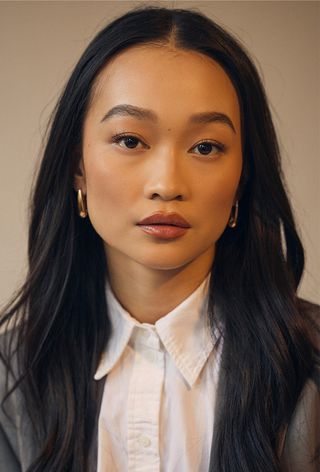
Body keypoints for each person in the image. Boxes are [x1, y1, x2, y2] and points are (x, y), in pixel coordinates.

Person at [0, 5, 319, 472]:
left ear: (244, 174)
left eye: (205, 147)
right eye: (130, 140)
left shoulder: (309, 365)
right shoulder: (12, 375)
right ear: (76, 167)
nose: (167, 183)